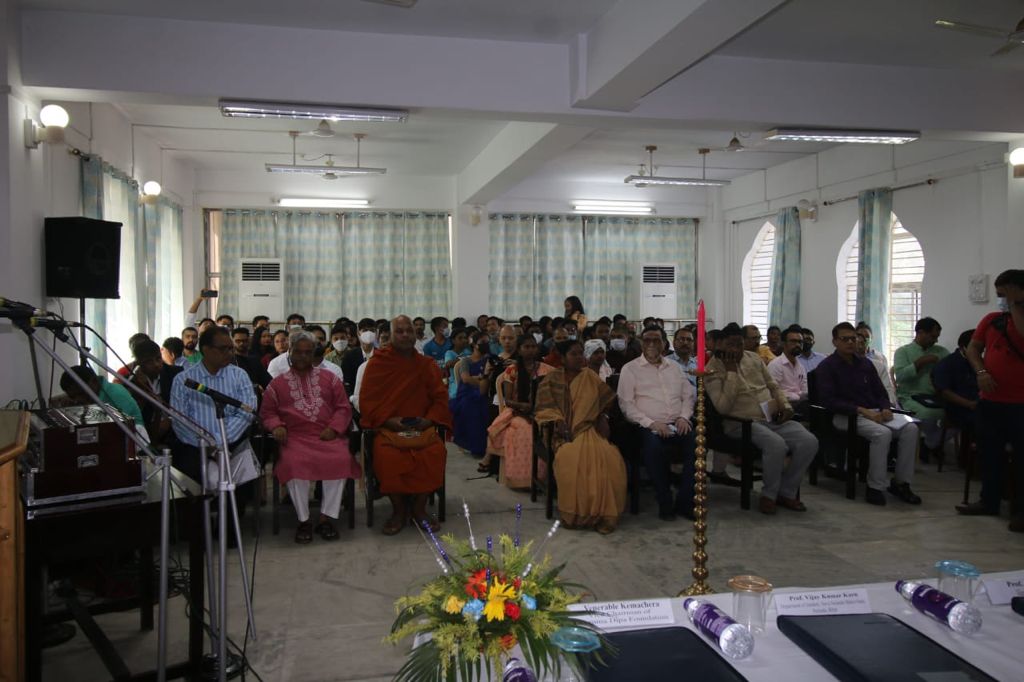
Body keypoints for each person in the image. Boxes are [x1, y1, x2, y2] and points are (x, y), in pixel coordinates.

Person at [259, 331, 360, 544]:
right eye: (298, 352)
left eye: (308, 352)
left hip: (327, 436)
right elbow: (267, 412)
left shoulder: (330, 379)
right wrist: (276, 426)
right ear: (290, 352)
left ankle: (326, 518)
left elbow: (343, 408)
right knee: (294, 463)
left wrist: (334, 428)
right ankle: (303, 520)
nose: (303, 356)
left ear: (314, 353)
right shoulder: (277, 384)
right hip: (295, 438)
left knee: (340, 459)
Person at [705, 325, 817, 515]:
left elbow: (773, 386)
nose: (736, 349)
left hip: (770, 417)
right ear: (720, 345)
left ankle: (787, 491)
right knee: (776, 444)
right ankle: (769, 495)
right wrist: (731, 373)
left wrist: (785, 406)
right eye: (730, 345)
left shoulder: (754, 358)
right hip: (741, 424)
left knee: (809, 441)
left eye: (739, 344)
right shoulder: (712, 369)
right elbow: (722, 408)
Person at [359, 315, 452, 536]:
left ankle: (419, 509)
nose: (405, 335)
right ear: (390, 336)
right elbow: (367, 402)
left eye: (409, 331)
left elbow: (440, 398)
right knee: (387, 455)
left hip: (422, 428)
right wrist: (388, 421)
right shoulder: (377, 364)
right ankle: (398, 510)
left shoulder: (426, 364)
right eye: (399, 331)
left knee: (435, 451)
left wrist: (428, 420)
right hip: (389, 430)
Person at [815, 322, 921, 506]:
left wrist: (885, 407)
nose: (850, 342)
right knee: (882, 433)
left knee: (910, 429)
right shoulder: (827, 366)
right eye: (845, 339)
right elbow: (828, 400)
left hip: (874, 413)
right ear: (835, 342)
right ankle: (875, 487)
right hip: (845, 416)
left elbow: (880, 392)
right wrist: (861, 410)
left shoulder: (865, 364)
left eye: (853, 338)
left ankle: (901, 483)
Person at [535, 340, 626, 534]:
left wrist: (602, 416)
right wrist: (557, 420)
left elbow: (606, 401)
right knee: (570, 457)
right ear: (562, 358)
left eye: (580, 353)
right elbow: (544, 407)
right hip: (561, 434)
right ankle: (576, 514)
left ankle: (601, 514)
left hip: (589, 429)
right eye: (573, 354)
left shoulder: (590, 376)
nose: (579, 358)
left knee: (610, 457)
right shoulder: (551, 379)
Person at [959, 269, 1024, 531]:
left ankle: (1021, 511)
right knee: (989, 453)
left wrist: (1016, 304)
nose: (1000, 299)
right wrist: (981, 371)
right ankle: (989, 500)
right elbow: (974, 349)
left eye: (1003, 293)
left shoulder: (1018, 317)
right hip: (991, 401)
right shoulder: (991, 320)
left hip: (1020, 404)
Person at [617, 326, 696, 521]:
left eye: (656, 340)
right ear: (641, 343)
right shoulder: (630, 369)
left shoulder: (675, 367)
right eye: (647, 340)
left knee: (698, 445)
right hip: (646, 426)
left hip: (677, 422)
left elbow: (688, 396)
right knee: (653, 449)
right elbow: (626, 405)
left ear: (664, 343)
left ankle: (685, 501)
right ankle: (664, 500)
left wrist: (684, 417)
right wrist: (652, 423)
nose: (651, 344)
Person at [170, 327, 257, 485]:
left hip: (232, 443)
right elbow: (180, 420)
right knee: (192, 482)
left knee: (243, 487)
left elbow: (246, 412)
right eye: (223, 349)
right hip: (194, 447)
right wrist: (206, 445)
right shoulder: (184, 379)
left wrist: (219, 442)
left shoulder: (240, 375)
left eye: (231, 349)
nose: (229, 353)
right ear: (206, 349)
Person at [488, 334, 555, 489]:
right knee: (526, 430)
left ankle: (543, 477)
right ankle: (524, 479)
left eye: (533, 347)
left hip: (543, 410)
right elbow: (507, 400)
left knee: (549, 430)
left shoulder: (547, 370)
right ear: (519, 349)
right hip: (518, 411)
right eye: (526, 347)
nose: (531, 350)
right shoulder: (512, 370)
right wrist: (523, 405)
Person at [893, 317, 949, 459]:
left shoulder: (942, 352)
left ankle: (930, 442)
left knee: (958, 414)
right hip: (910, 396)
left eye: (937, 337)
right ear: (920, 332)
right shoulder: (903, 352)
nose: (936, 340)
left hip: (937, 396)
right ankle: (932, 442)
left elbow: (951, 374)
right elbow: (900, 377)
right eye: (933, 337)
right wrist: (921, 362)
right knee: (928, 413)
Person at [59, 364, 148, 439]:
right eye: (73, 396)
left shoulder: (116, 394)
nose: (78, 400)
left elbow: (115, 432)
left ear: (94, 381)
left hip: (134, 444)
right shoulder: (92, 396)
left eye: (81, 393)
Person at [450, 332, 494, 464]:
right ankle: (474, 446)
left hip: (485, 393)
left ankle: (485, 446)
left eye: (487, 342)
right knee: (469, 406)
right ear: (474, 345)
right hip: (467, 393)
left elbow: (490, 379)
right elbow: (466, 379)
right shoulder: (466, 361)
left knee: (485, 406)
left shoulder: (490, 360)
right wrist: (481, 380)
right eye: (482, 342)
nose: (486, 345)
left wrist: (481, 380)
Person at [130, 338, 183, 443]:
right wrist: (141, 387)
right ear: (139, 363)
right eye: (149, 361)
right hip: (148, 436)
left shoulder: (176, 374)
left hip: (176, 432)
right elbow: (136, 417)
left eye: (158, 358)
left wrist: (170, 420)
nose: (156, 364)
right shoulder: (133, 383)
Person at [931, 329, 979, 435]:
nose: (980, 352)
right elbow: (945, 393)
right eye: (976, 349)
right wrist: (970, 404)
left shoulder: (978, 362)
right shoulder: (947, 364)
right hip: (957, 408)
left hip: (977, 405)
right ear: (963, 347)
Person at [767, 326, 808, 412]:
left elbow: (805, 390)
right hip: (782, 408)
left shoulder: (801, 366)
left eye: (800, 342)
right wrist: (797, 396)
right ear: (783, 343)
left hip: (800, 406)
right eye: (793, 341)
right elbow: (773, 393)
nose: (798, 345)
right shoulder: (775, 365)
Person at [856, 324, 899, 407]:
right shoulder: (844, 362)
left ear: (871, 339)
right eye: (859, 336)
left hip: (878, 405)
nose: (862, 340)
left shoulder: (879, 362)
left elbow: (889, 391)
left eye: (866, 337)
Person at [342, 319, 377, 398]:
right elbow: (346, 382)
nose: (368, 333)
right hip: (355, 398)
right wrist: (352, 398)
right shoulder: (349, 356)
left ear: (376, 333)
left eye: (372, 330)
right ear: (358, 333)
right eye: (365, 330)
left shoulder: (381, 355)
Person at [442, 328, 472, 399]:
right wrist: (463, 359)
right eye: (460, 338)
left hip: (468, 384)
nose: (464, 340)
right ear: (453, 341)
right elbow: (448, 364)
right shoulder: (449, 353)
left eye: (465, 338)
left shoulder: (468, 351)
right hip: (455, 387)